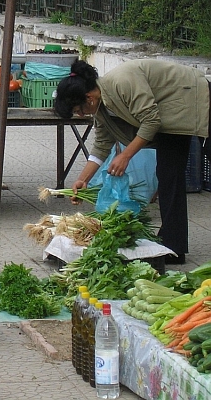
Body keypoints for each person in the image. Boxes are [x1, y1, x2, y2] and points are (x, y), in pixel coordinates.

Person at [54, 58, 211, 264]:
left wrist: (125, 155)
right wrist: (83, 179)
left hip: (194, 96)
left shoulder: (122, 81)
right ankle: (174, 247)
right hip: (171, 120)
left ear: (89, 97)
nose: (81, 114)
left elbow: (151, 120)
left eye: (78, 110)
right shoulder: (101, 109)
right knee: (168, 176)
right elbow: (102, 144)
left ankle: (173, 245)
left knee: (172, 173)